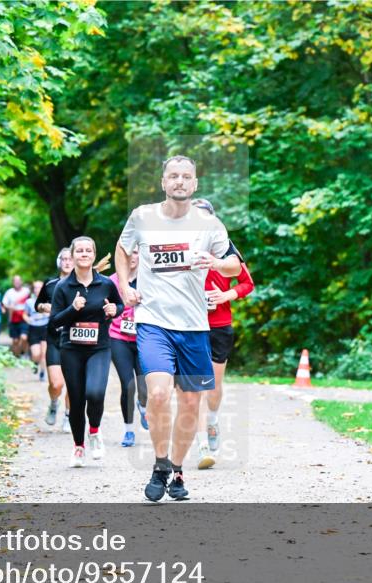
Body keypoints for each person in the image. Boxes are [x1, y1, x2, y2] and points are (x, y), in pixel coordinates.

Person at [115, 155, 241, 501]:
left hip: (194, 326)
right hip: (153, 321)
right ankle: (160, 465)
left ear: (195, 184)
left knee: (190, 402)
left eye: (187, 177)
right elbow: (122, 250)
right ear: (163, 182)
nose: (180, 182)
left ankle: (178, 469)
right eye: (174, 176)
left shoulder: (209, 224)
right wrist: (125, 287)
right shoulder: (142, 216)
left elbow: (234, 265)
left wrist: (215, 262)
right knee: (157, 394)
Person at [191, 199, 255, 470]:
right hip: (191, 325)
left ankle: (213, 420)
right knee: (196, 387)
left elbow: (246, 283)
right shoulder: (180, 247)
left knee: (214, 389)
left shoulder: (227, 250)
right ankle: (202, 443)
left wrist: (224, 294)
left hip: (219, 325)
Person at [50, 236, 123, 467]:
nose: (83, 254)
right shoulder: (63, 287)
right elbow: (54, 322)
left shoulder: (106, 284)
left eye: (88, 250)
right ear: (72, 256)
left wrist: (115, 309)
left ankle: (94, 431)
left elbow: (119, 305)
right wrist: (72, 309)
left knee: (95, 393)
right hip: (71, 350)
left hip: (99, 348)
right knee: (78, 399)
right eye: (79, 250)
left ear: (93, 255)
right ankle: (79, 447)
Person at [109, 248, 149, 447]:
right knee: (128, 385)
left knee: (144, 386)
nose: (132, 257)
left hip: (144, 338)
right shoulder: (112, 281)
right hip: (118, 337)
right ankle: (129, 430)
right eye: (128, 253)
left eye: (136, 252)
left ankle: (143, 406)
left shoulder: (150, 278)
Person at [36, 248, 74, 431]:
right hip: (54, 338)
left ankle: (68, 416)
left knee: (73, 384)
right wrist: (44, 306)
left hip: (75, 340)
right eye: (64, 259)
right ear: (59, 262)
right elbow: (38, 304)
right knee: (56, 383)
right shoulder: (50, 284)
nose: (67, 262)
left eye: (70, 259)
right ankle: (53, 403)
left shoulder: (83, 284)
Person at [26, 280, 50, 381]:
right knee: (36, 354)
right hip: (33, 329)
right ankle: (35, 362)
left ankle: (42, 373)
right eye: (35, 287)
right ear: (33, 289)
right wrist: (28, 319)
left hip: (45, 328)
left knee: (44, 354)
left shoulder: (48, 300)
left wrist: (46, 314)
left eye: (39, 287)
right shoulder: (29, 302)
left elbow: (53, 313)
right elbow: (24, 314)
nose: (37, 289)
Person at [2, 275, 31, 358]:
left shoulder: (27, 291)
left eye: (18, 281)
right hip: (13, 319)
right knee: (15, 340)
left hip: (24, 317)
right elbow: (4, 304)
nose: (17, 282)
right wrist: (9, 308)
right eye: (15, 281)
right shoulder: (9, 292)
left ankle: (23, 353)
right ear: (13, 282)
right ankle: (16, 356)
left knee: (24, 337)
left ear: (21, 281)